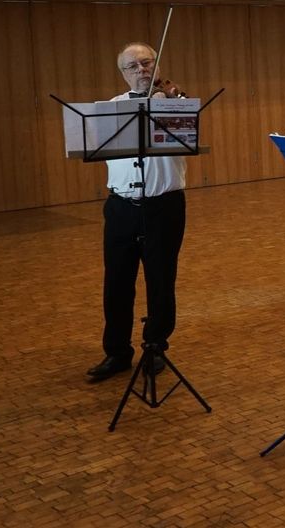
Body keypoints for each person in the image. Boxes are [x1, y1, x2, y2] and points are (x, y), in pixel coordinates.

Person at [87, 42, 189, 382]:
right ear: (123, 73)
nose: (142, 70)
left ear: (158, 67)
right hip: (120, 207)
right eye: (133, 66)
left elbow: (186, 137)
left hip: (164, 206)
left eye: (148, 63)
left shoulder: (177, 104)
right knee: (116, 281)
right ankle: (116, 352)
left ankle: (156, 345)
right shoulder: (111, 108)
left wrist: (169, 105)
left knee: (161, 279)